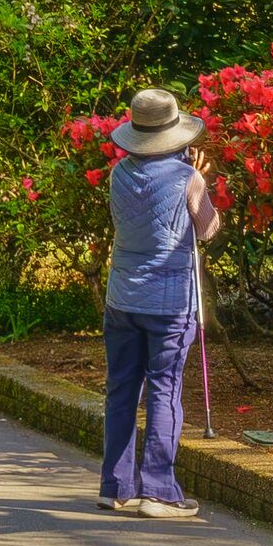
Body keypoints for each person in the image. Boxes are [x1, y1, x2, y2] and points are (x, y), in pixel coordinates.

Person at [100, 86, 222, 519]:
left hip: (122, 298)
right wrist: (199, 183)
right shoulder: (187, 177)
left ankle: (116, 486)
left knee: (121, 390)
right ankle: (158, 492)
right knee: (164, 392)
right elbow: (206, 229)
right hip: (169, 304)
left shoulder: (118, 174)